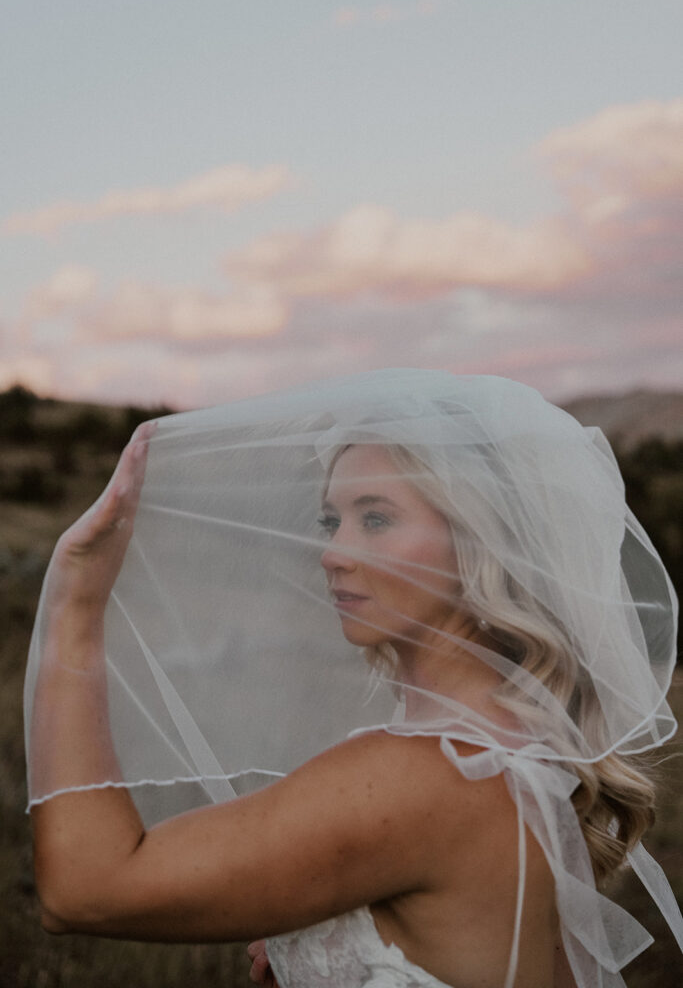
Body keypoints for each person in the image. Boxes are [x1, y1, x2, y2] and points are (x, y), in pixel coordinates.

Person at [24, 369, 682, 988]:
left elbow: (86, 890)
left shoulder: (426, 772)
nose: (333, 554)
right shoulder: (520, 746)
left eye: (375, 518)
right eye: (330, 520)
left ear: (483, 540)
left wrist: (77, 601)